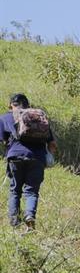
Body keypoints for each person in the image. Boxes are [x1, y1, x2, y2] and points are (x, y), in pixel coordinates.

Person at [3, 93, 54, 230]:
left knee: (15, 191)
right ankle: (29, 216)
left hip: (15, 157)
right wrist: (49, 157)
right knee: (32, 191)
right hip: (37, 158)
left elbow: (2, 140)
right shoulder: (37, 117)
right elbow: (52, 143)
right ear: (28, 105)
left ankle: (14, 223)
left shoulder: (5, 117)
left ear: (10, 105)